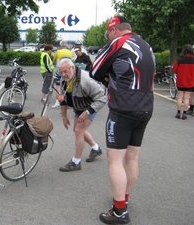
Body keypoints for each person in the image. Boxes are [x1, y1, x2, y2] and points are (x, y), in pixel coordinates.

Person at [91, 16, 155, 224]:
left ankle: (119, 211)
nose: (107, 37)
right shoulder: (146, 45)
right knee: (132, 157)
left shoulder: (117, 42)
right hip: (146, 107)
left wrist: (109, 75)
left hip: (123, 108)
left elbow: (95, 70)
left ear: (114, 30)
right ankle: (123, 200)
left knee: (115, 160)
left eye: (107, 33)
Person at [58, 58, 107, 172]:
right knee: (77, 129)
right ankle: (96, 149)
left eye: (65, 71)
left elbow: (102, 98)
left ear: (72, 68)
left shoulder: (86, 80)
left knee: (78, 131)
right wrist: (64, 117)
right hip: (79, 107)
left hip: (90, 106)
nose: (63, 75)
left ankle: (76, 162)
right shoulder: (64, 79)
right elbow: (62, 99)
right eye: (61, 72)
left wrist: (87, 112)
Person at [172, 44, 194, 120]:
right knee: (187, 98)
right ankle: (184, 114)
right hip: (190, 81)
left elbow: (174, 70)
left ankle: (178, 113)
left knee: (180, 97)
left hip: (181, 81)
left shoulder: (179, 60)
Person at [51, 40, 73, 109]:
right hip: (68, 73)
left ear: (61, 46)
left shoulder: (58, 52)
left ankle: (57, 102)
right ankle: (67, 102)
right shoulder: (70, 52)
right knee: (67, 88)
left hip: (59, 73)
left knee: (58, 87)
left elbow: (54, 61)